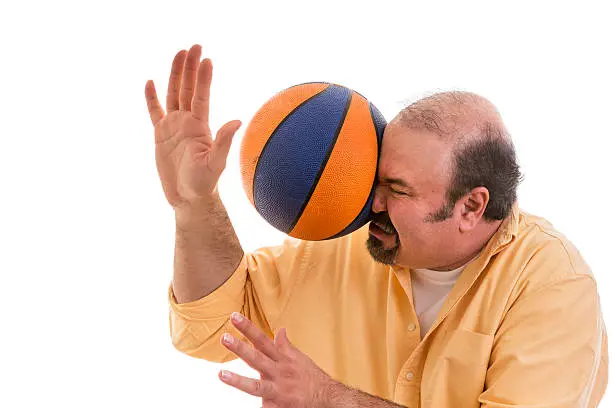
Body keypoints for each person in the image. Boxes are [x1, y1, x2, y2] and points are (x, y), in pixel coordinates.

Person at [145, 44, 609, 408]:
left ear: (470, 207)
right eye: (373, 176)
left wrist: (327, 398)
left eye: (398, 189)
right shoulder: (344, 243)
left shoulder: (552, 284)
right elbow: (209, 327)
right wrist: (194, 204)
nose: (371, 202)